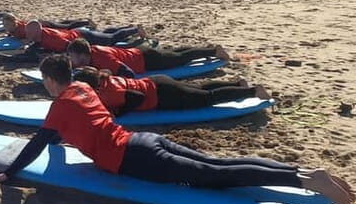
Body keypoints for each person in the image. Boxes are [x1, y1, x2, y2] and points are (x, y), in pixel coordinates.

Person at [0, 55, 354, 204]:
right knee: (215, 163)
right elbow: (66, 132)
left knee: (213, 176)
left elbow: (37, 144)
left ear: (48, 81)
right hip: (144, 141)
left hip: (135, 158)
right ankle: (301, 173)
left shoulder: (60, 105)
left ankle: (305, 179)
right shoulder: (84, 89)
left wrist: (7, 173)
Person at [73, 66, 270, 114]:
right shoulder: (105, 77)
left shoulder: (108, 91)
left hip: (163, 95)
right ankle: (238, 84)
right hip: (158, 82)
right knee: (199, 88)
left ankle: (253, 92)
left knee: (206, 98)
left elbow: (137, 98)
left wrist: (119, 111)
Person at [66, 37, 229, 78]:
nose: (73, 61)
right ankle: (207, 49)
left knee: (179, 58)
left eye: (73, 57)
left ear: (83, 55)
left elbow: (128, 73)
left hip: (147, 61)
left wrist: (108, 75)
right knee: (174, 54)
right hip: (140, 53)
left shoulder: (102, 58)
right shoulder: (89, 54)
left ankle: (214, 52)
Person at [1, 14, 148, 47]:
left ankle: (135, 29)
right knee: (105, 33)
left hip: (82, 36)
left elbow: (69, 47)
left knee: (110, 39)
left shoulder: (51, 39)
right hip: (78, 33)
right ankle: (128, 28)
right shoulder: (34, 33)